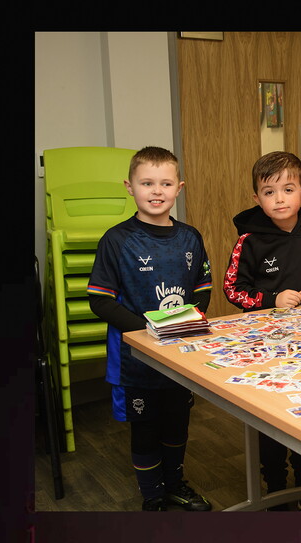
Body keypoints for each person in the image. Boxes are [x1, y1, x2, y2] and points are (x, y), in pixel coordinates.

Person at [87, 146, 213, 512]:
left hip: (180, 355)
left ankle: (175, 485)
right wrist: (149, 330)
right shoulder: (117, 240)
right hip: (136, 362)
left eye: (165, 183)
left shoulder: (190, 237)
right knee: (144, 430)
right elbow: (100, 300)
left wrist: (185, 324)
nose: (156, 191)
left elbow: (203, 288)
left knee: (177, 425)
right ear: (130, 187)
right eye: (147, 183)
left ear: (179, 188)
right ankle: (153, 497)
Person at [223, 151, 301, 510]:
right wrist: (270, 299)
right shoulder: (249, 240)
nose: (279, 199)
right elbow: (233, 290)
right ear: (256, 198)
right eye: (269, 192)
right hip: (265, 343)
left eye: (288, 189)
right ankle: (275, 486)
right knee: (271, 412)